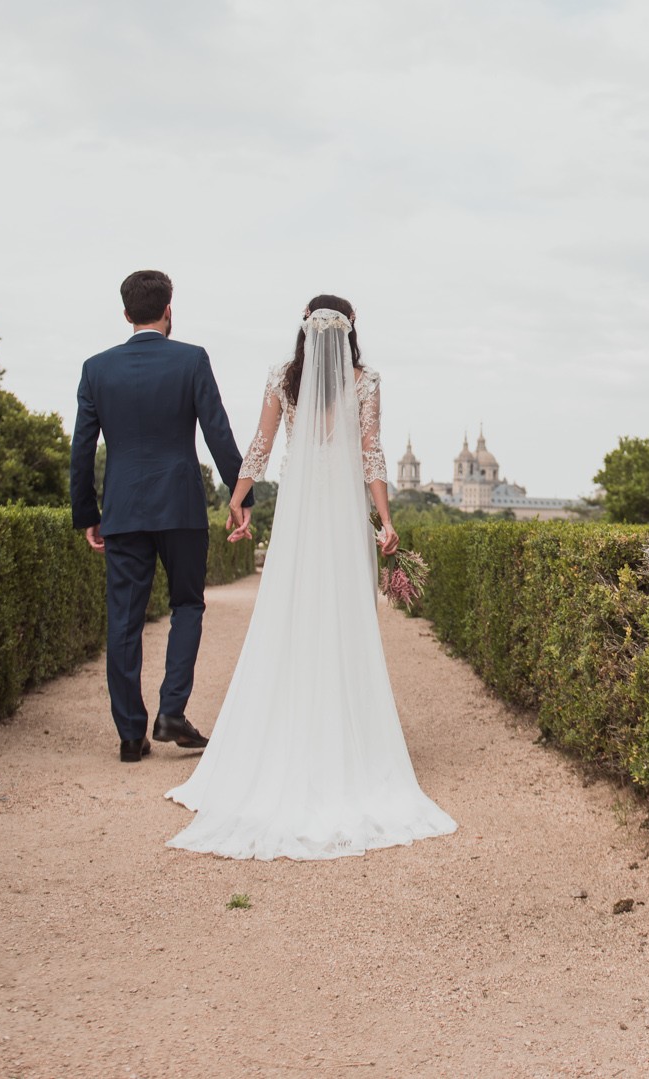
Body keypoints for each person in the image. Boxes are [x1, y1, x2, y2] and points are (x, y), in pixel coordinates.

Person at [164, 294, 457, 860]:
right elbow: (371, 453)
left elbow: (261, 445)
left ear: (305, 328)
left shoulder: (282, 377)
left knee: (291, 615)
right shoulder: (366, 381)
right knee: (345, 618)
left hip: (299, 514)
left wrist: (239, 498)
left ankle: (288, 734)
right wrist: (386, 519)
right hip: (343, 514)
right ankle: (346, 739)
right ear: (351, 329)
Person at [70, 270, 253, 762]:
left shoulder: (95, 369)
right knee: (187, 605)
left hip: (123, 510)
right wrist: (242, 495)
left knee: (123, 620)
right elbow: (218, 432)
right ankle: (171, 712)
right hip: (181, 506)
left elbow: (82, 447)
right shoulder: (191, 359)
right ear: (169, 310)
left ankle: (131, 735)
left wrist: (87, 512)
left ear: (126, 313)